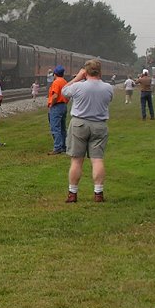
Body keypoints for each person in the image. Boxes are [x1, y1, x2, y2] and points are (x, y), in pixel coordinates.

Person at [61, 59, 114, 203]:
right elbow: (109, 100)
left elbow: (64, 91)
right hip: (99, 125)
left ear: (85, 71)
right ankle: (98, 193)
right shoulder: (108, 87)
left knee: (76, 161)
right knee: (97, 160)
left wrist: (77, 78)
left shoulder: (78, 86)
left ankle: (73, 193)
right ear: (100, 71)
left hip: (79, 124)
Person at [46, 65, 68, 155]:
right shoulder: (64, 82)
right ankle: (63, 146)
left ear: (55, 74)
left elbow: (55, 96)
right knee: (63, 128)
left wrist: (52, 104)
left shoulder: (56, 82)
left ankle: (57, 147)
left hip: (57, 106)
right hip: (63, 105)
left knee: (55, 127)